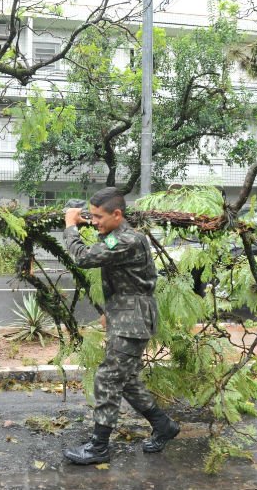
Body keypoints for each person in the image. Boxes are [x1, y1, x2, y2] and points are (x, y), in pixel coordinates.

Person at [62, 186, 180, 465]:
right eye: (90, 216)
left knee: (108, 378)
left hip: (133, 317)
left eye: (98, 217)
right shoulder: (116, 235)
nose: (95, 222)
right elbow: (123, 277)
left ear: (117, 214)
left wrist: (69, 226)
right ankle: (164, 426)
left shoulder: (127, 239)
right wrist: (110, 310)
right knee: (125, 381)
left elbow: (84, 257)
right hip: (125, 313)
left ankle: (99, 447)